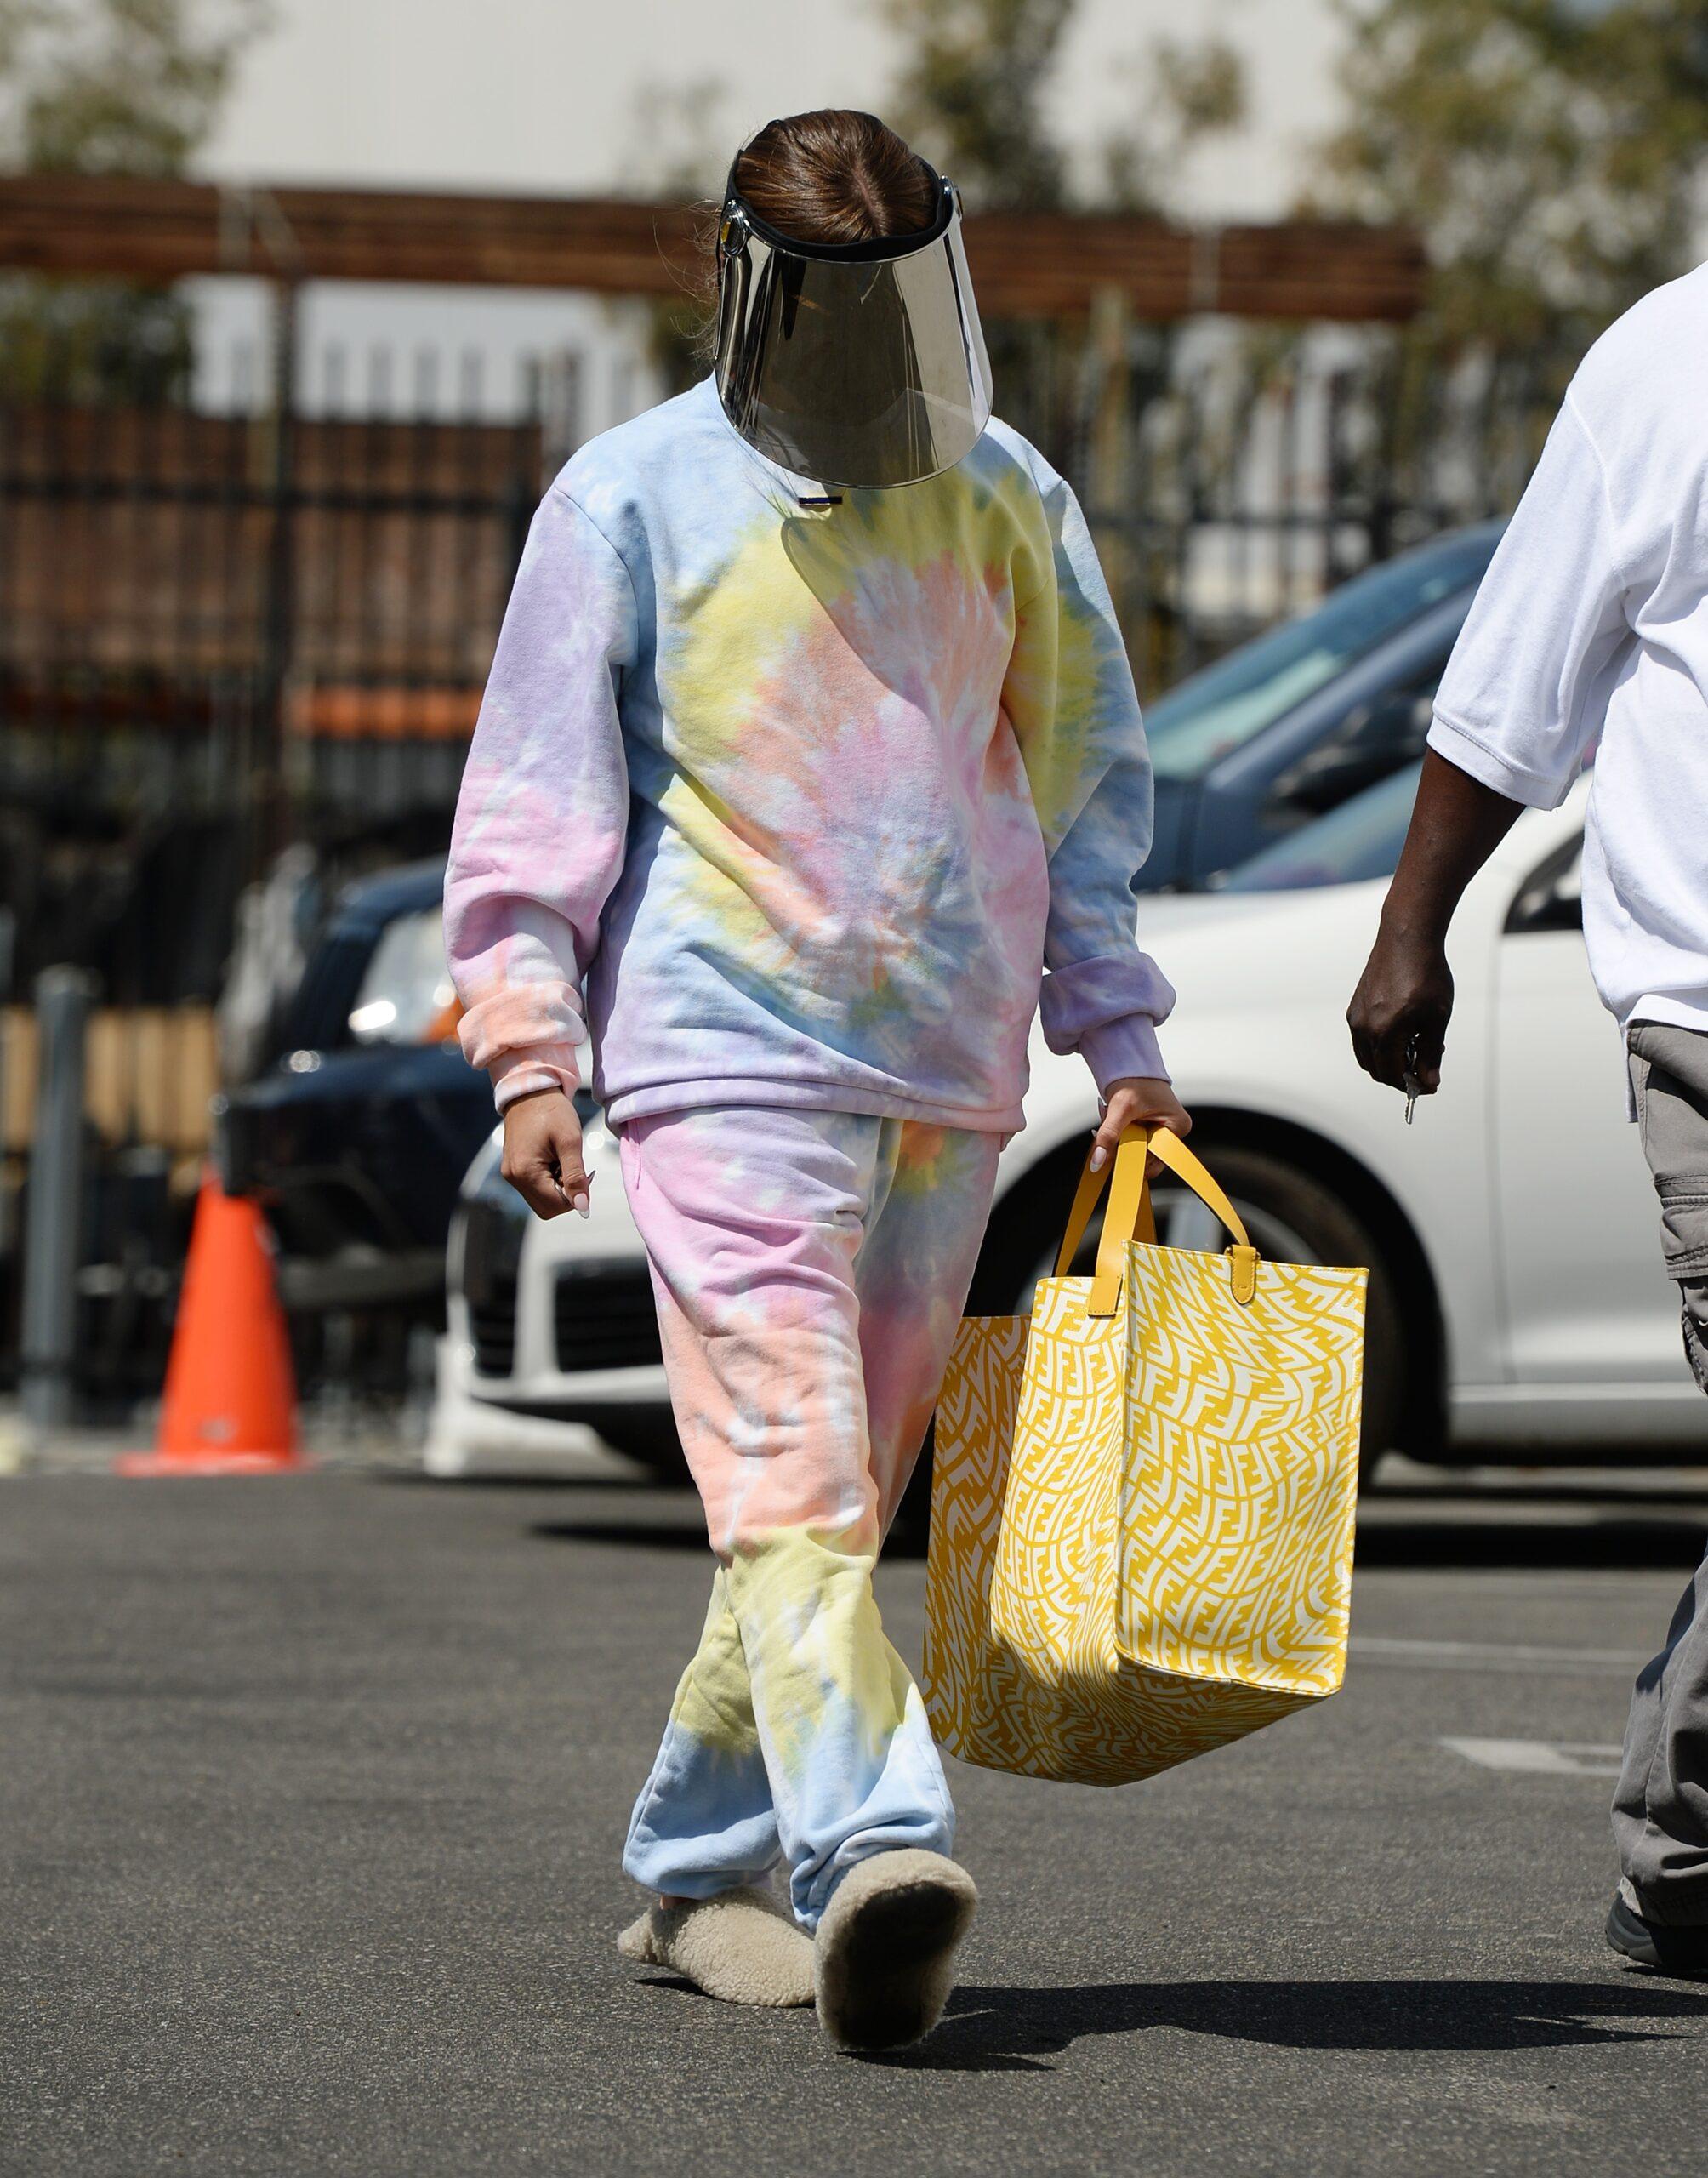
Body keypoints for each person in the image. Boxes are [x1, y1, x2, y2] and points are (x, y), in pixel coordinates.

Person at [444, 109, 1187, 2048]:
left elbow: (1082, 773)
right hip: (714, 1057)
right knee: (790, 1473)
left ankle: (695, 1876)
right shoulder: (625, 499)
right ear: (755, 293)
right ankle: (872, 1843)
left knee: (823, 1508)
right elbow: (536, 794)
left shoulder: (1007, 490)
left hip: (946, 1063)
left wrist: (1114, 1027)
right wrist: (531, 1042)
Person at [1347, 262, 1708, 1978]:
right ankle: (1688, 1843)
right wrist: (1409, 925)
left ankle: (1685, 1833)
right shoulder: (1666, 359)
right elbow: (1513, 684)